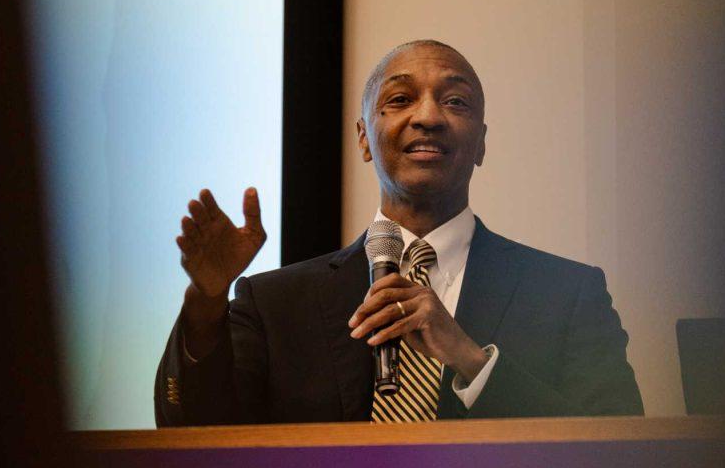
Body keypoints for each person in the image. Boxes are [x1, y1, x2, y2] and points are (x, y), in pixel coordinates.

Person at [155, 40, 643, 424]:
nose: (428, 117)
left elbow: (618, 453)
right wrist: (205, 302)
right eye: (401, 99)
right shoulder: (275, 304)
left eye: (455, 101)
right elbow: (194, 436)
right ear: (364, 138)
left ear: (481, 144)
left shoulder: (567, 295)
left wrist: (473, 362)